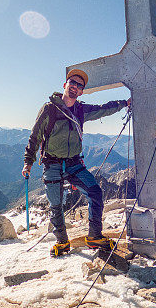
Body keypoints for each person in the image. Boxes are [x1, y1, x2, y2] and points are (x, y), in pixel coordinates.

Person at [22, 69, 130, 257]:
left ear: (81, 92)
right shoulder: (49, 109)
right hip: (52, 163)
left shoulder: (80, 110)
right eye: (72, 82)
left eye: (79, 86)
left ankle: (94, 236)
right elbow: (35, 135)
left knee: (95, 192)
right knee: (55, 205)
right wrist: (28, 162)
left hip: (74, 163)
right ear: (65, 85)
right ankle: (62, 242)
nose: (75, 87)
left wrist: (124, 104)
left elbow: (103, 108)